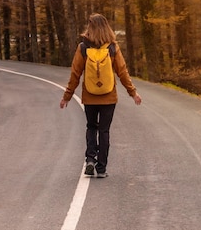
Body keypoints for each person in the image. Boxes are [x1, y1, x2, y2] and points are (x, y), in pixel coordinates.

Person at [60, 13, 142, 178]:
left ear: (90, 27)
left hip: (90, 96)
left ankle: (90, 158)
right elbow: (122, 72)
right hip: (109, 97)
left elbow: (75, 74)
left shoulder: (83, 48)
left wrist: (67, 96)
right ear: (106, 27)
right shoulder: (112, 47)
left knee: (91, 127)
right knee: (104, 131)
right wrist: (133, 92)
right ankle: (101, 168)